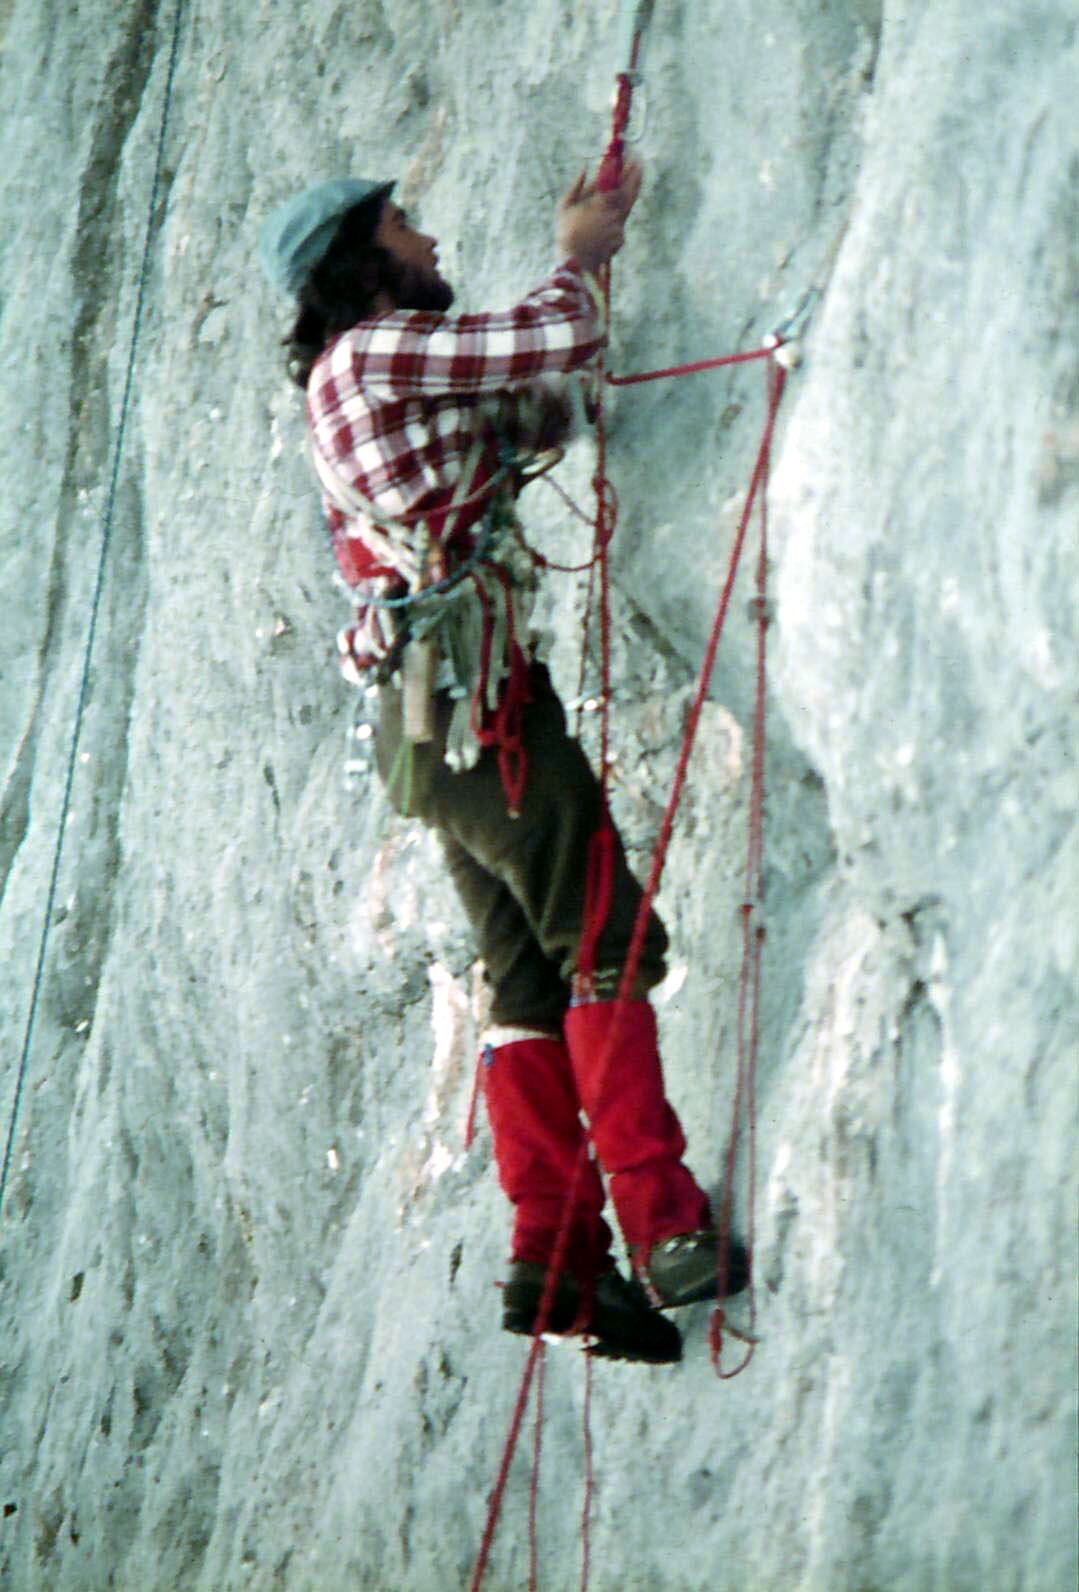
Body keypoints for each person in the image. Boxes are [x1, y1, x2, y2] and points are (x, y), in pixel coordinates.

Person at [259, 165, 748, 1365]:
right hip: (484, 718)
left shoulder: (358, 382)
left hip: (429, 736)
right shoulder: (375, 353)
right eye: (403, 228)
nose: (429, 239)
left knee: (523, 978)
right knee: (603, 935)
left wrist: (548, 410)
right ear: (363, 264)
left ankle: (557, 1262)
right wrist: (580, 247)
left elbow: (520, 415)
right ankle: (662, 1220)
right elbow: (552, 331)